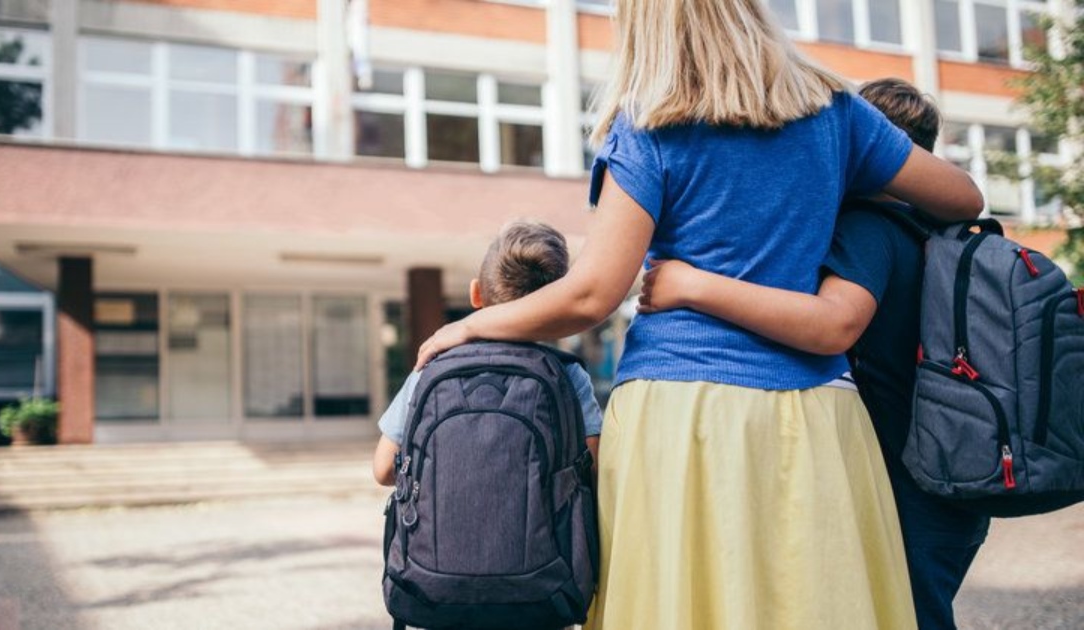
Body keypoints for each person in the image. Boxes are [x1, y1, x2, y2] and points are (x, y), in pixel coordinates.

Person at [415, 1, 984, 628]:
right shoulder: (836, 113)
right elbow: (963, 197)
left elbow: (591, 295)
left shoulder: (647, 127)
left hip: (682, 416)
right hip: (817, 411)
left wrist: (466, 325)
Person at [637, 78, 990, 630]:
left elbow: (834, 325)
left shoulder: (871, 229)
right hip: (957, 469)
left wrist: (690, 285)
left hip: (910, 479)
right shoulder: (937, 234)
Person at [372, 220, 603, 487]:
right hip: (547, 528)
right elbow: (594, 469)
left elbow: (384, 468)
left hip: (444, 528)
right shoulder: (568, 373)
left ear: (476, 293)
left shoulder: (432, 365)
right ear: (554, 306)